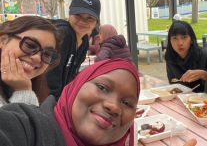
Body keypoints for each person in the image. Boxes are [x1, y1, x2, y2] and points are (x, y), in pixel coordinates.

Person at [0, 58, 140, 146]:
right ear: (76, 86)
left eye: (127, 103)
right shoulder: (30, 128)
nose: (114, 106)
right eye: (102, 87)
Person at [46, 0, 101, 100]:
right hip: (45, 101)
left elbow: (71, 75)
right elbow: (50, 77)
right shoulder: (64, 34)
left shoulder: (84, 41)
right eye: (78, 15)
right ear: (69, 14)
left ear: (96, 22)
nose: (82, 21)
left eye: (89, 18)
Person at [0, 16, 60, 107]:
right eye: (30, 45)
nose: (37, 58)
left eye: (47, 54)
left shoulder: (39, 88)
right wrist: (23, 91)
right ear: (3, 40)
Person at [164, 20, 207, 92]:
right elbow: (173, 84)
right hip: (183, 100)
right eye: (175, 38)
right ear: (170, 41)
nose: (180, 43)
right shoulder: (170, 58)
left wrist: (205, 75)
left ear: (191, 39)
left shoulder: (206, 55)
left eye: (184, 37)